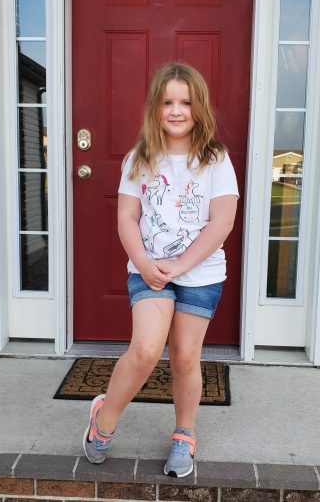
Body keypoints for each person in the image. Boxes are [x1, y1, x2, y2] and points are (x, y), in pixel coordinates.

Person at [83, 62, 239, 478]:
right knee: (147, 350)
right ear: (155, 107)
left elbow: (222, 222)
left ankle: (184, 435)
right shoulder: (139, 159)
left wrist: (182, 264)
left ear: (198, 108)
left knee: (186, 358)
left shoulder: (215, 159)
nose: (176, 110)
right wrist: (143, 263)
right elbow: (126, 218)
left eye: (185, 102)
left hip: (201, 274)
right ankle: (103, 419)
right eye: (168, 102)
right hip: (148, 268)